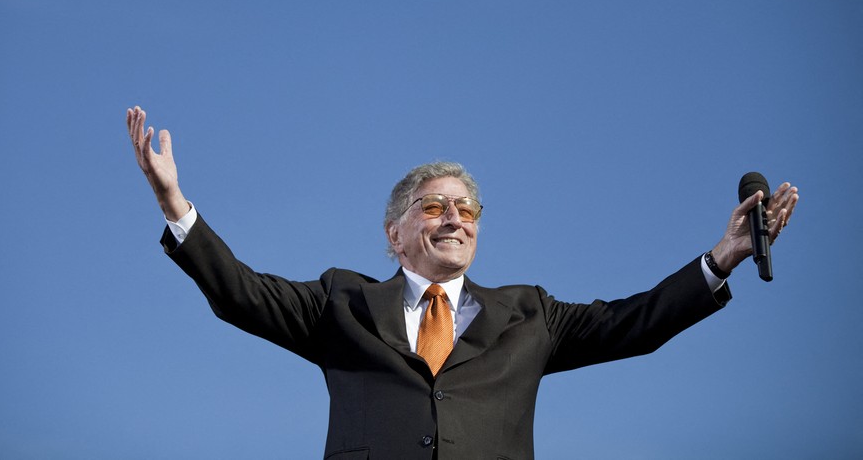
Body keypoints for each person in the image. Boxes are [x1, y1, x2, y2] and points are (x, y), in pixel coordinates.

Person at [126, 105, 799, 459]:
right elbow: (240, 291)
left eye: (467, 209)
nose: (454, 219)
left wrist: (724, 256)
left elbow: (637, 321)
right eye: (434, 206)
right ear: (394, 233)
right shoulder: (342, 302)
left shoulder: (530, 315)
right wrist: (175, 205)